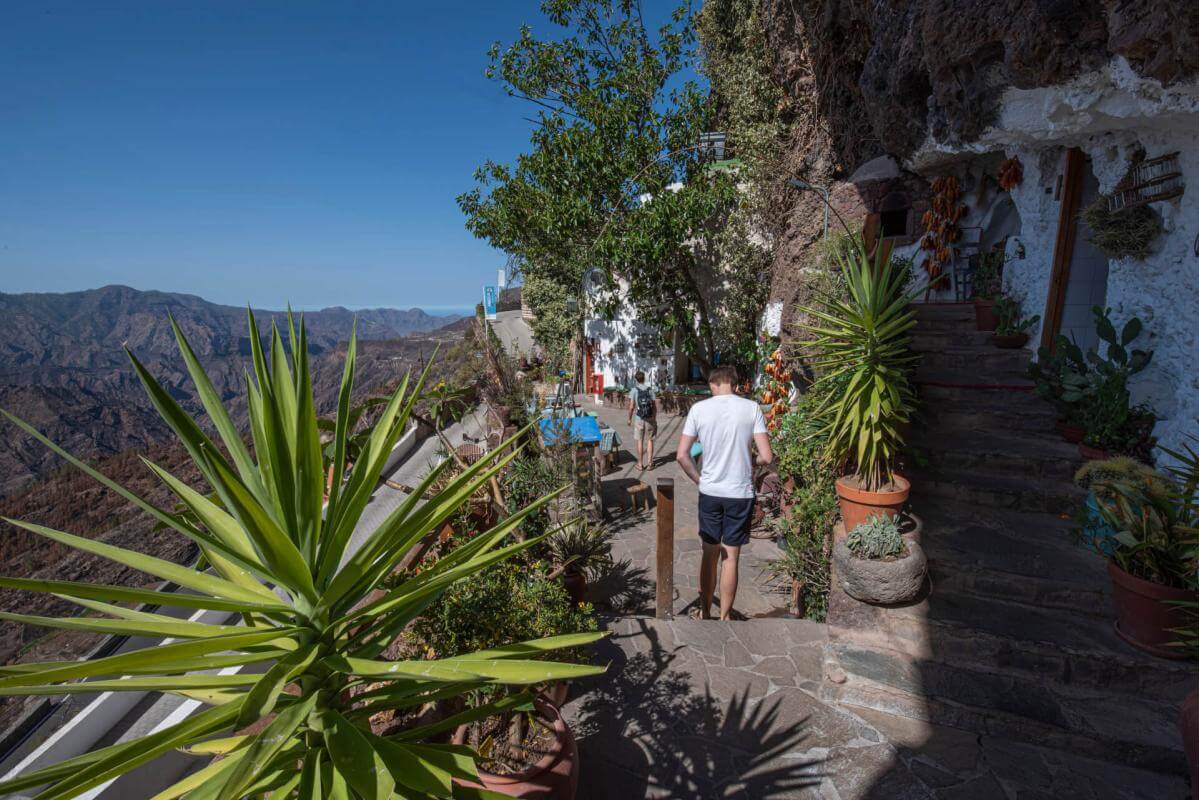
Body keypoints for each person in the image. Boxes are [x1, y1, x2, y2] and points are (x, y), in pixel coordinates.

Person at [676, 366, 773, 620]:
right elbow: (766, 456)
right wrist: (749, 462)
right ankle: (725, 616)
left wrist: (699, 480)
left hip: (711, 491)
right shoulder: (751, 408)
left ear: (713, 385)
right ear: (735, 384)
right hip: (740, 493)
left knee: (709, 554)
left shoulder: (699, 409)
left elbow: (682, 456)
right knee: (731, 557)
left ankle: (706, 611)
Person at [627, 371, 657, 471]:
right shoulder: (650, 390)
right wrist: (654, 418)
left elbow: (631, 407)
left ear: (636, 379)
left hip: (639, 418)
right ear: (644, 378)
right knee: (650, 440)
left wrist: (629, 419)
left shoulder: (634, 390)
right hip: (650, 419)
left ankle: (640, 464)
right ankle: (650, 464)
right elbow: (654, 406)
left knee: (640, 441)